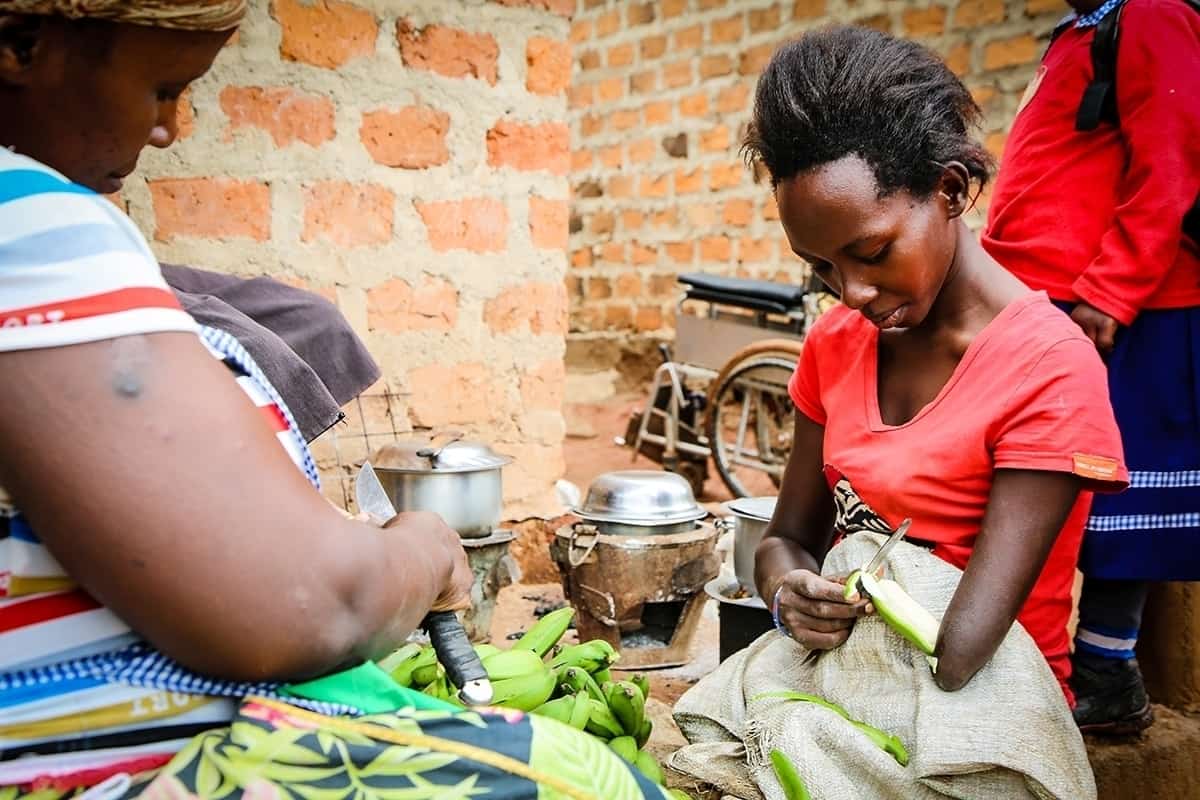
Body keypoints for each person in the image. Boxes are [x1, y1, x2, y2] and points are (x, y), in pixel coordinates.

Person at [0, 4, 665, 799]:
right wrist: (424, 552)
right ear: (21, 47)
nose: (171, 129)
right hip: (92, 769)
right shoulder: (32, 220)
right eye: (161, 89)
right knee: (601, 782)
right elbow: (307, 609)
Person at [747, 26, 1128, 707]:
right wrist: (787, 595)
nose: (851, 293)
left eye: (871, 252)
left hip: (983, 707)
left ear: (950, 190)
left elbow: (959, 654)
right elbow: (784, 540)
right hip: (850, 680)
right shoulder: (834, 345)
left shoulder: (1048, 369)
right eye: (822, 268)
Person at [983, 0, 1200, 735]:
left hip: (1123, 308)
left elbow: (1172, 159)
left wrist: (1112, 292)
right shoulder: (1085, 32)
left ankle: (1107, 671)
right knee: (1058, 486)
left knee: (1117, 494)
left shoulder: (1153, 13)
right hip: (1061, 305)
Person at [160, 262, 381, 442]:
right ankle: (265, 462)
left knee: (317, 314)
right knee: (252, 344)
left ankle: (287, 444)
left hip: (145, 262)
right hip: (129, 280)